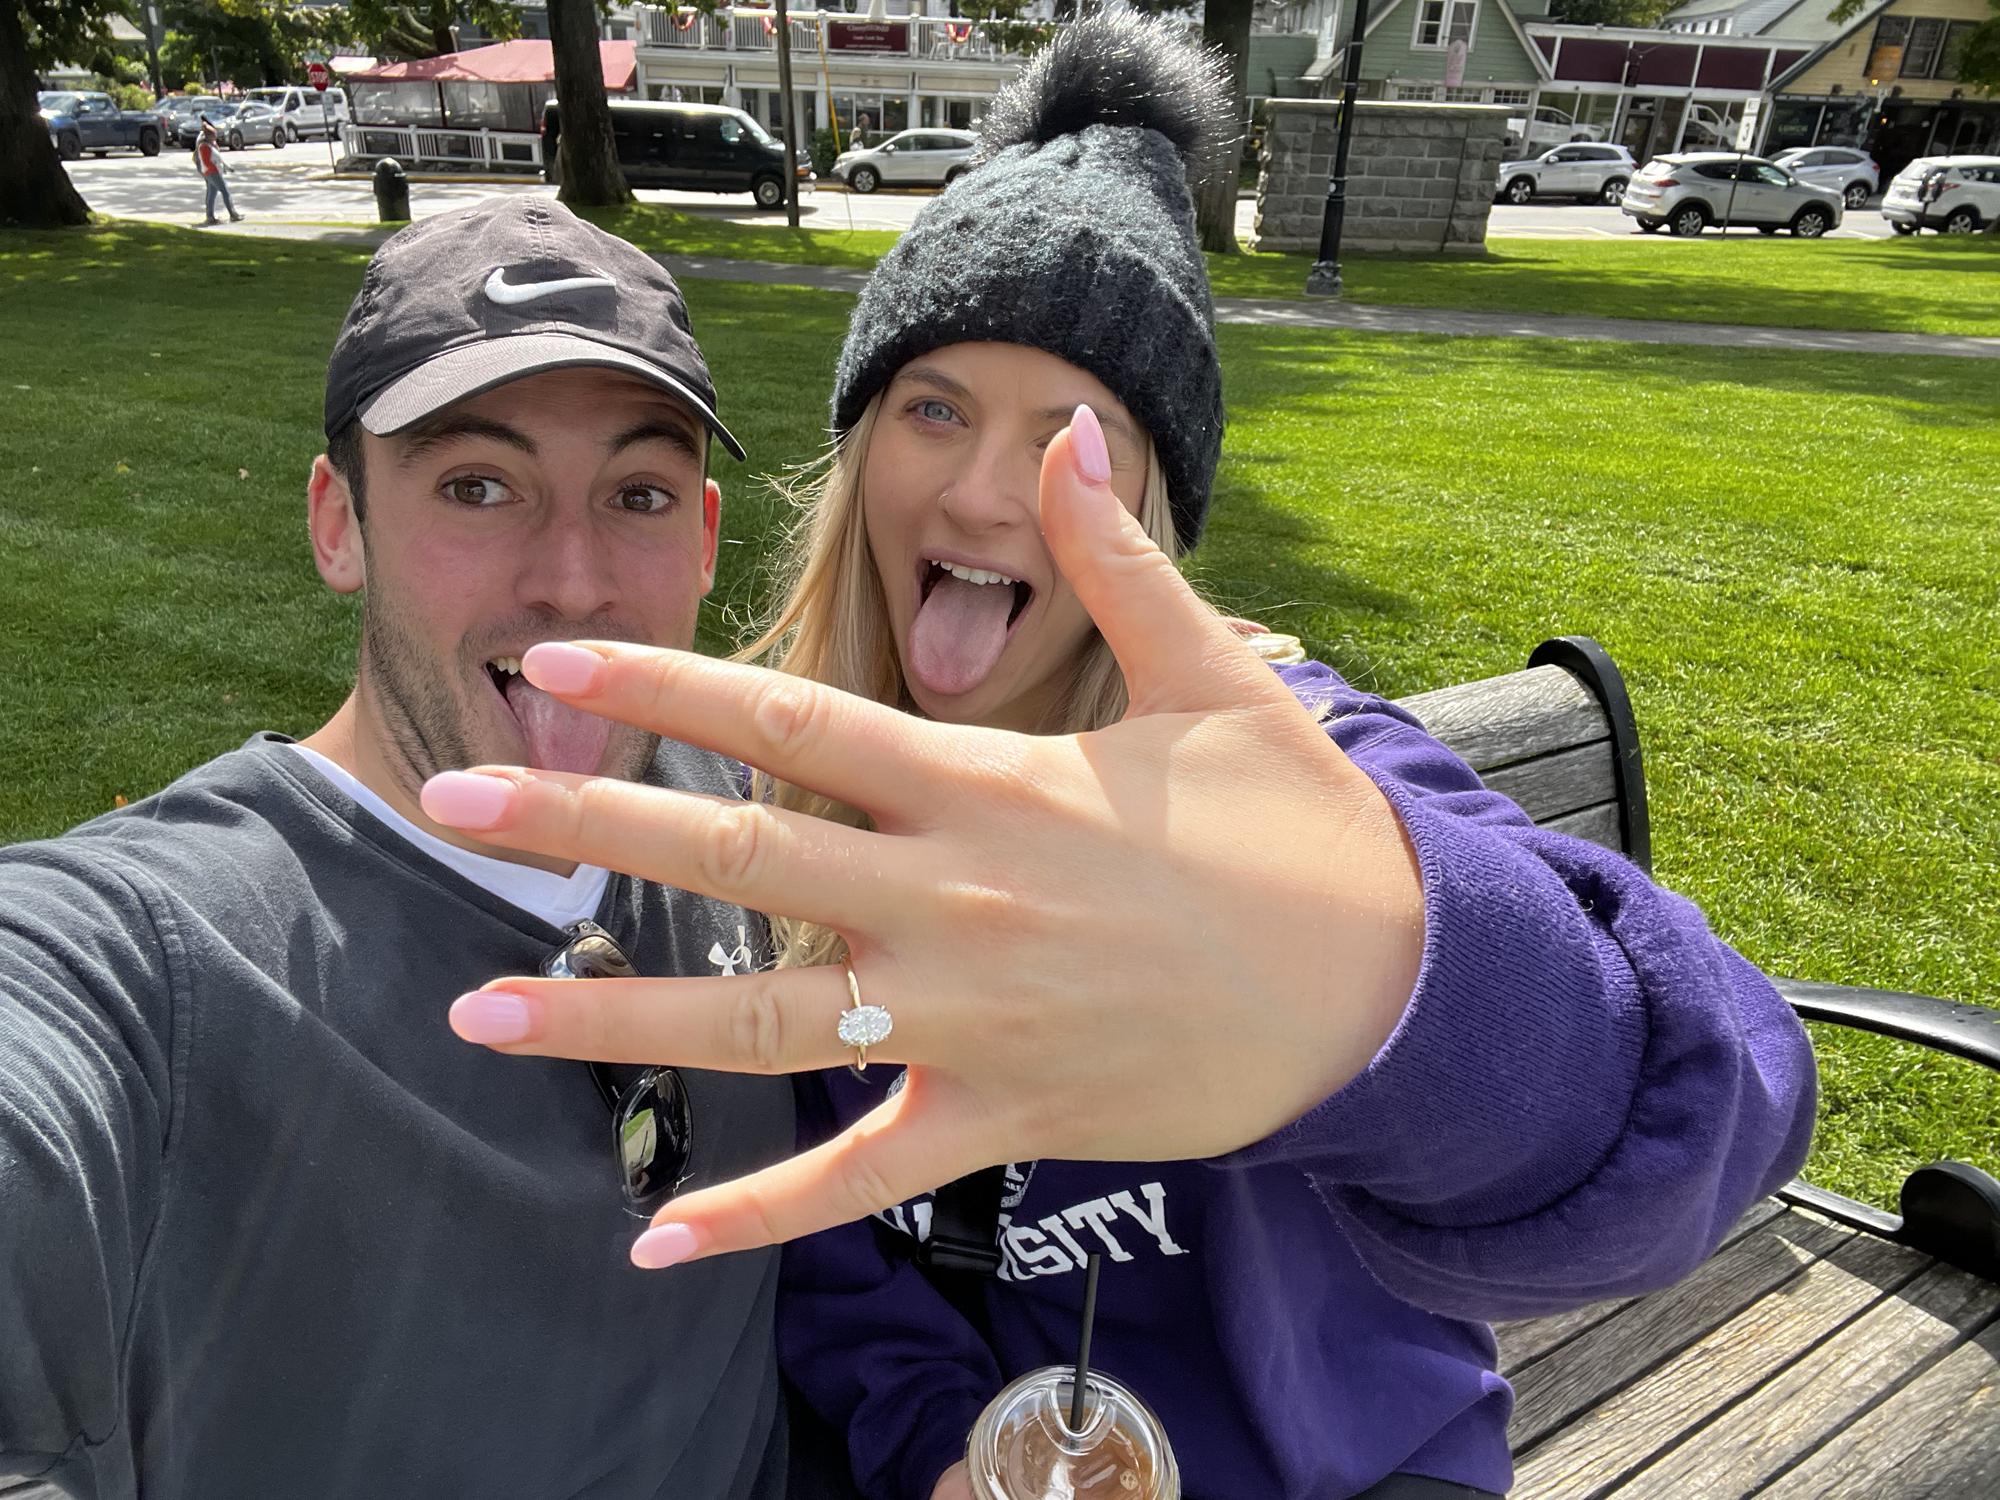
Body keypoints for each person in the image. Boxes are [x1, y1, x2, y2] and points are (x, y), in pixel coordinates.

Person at [425, 18, 1816, 1499]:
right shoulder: (799, 809)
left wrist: (1388, 978)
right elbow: (831, 1260)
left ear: (1144, 505)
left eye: (1071, 437)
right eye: (933, 409)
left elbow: (1722, 1097)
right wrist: (939, 1444)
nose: (979, 492)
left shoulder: (1293, 773)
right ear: (859, 454)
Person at [0, 198, 793, 1497]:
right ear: (339, 523)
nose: (574, 578)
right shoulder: (161, 966)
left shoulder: (762, 833)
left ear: (703, 541)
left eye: (637, 495)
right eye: (478, 485)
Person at [195, 118, 242, 224]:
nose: (215, 137)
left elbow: (218, 158)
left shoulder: (210, 145)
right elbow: (207, 162)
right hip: (212, 172)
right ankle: (233, 214)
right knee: (225, 192)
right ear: (208, 136)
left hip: (213, 172)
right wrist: (216, 170)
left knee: (211, 194)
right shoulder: (204, 146)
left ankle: (210, 217)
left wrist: (225, 167)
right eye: (213, 135)